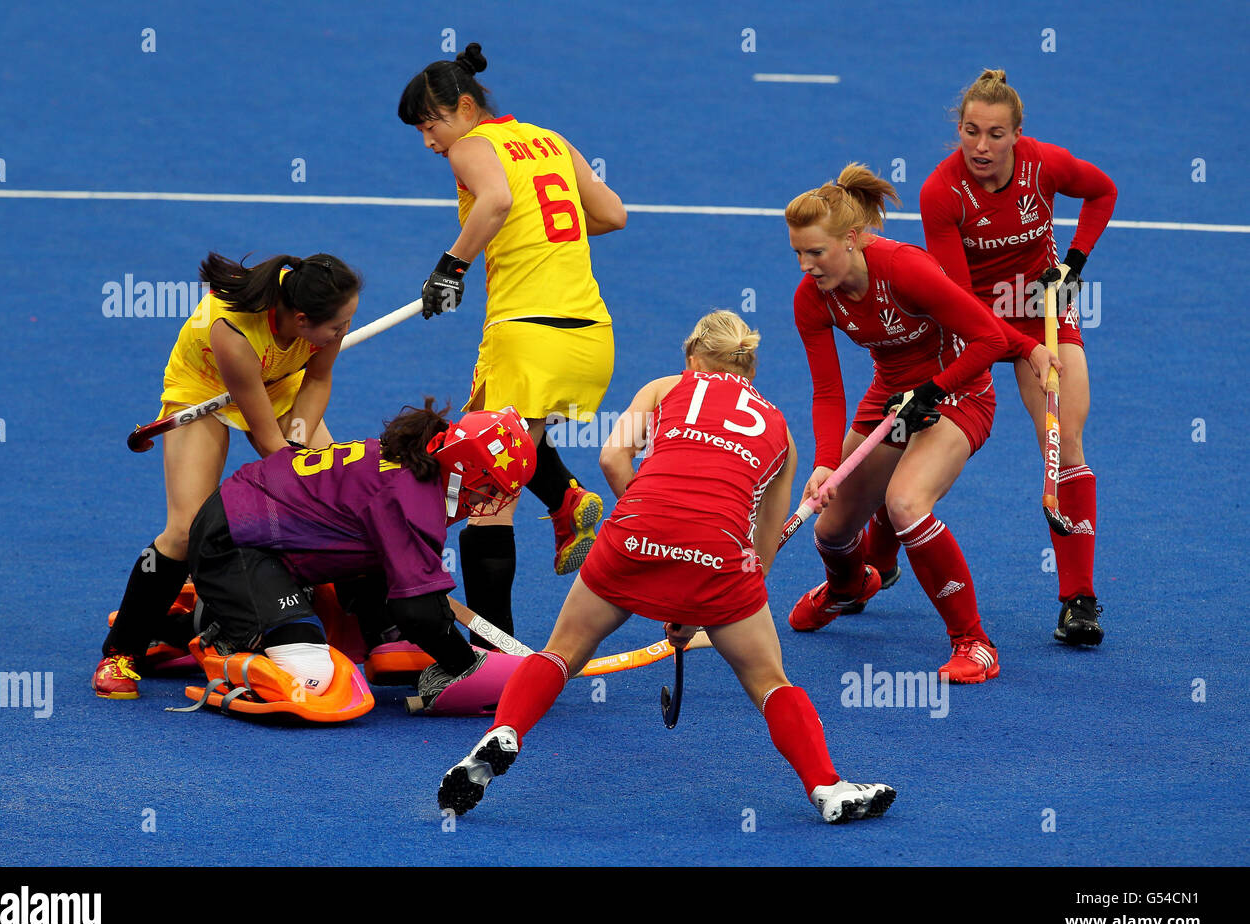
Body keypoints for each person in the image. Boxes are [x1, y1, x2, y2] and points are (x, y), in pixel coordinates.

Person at [437, 311, 896, 824]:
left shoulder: (664, 387)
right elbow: (759, 555)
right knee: (769, 679)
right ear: (749, 368)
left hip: (634, 530)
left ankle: (504, 733)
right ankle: (827, 788)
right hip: (719, 556)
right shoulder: (781, 432)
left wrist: (649, 526)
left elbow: (613, 459)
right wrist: (699, 603)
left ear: (692, 358)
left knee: (562, 652)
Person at [786, 164, 1059, 684]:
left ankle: (974, 644)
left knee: (906, 503)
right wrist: (824, 463)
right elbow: (827, 390)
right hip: (888, 398)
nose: (805, 265)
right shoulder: (812, 299)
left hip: (959, 394)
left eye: (815, 253)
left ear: (851, 241)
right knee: (832, 529)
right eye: (797, 253)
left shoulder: (904, 267)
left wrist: (934, 390)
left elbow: (988, 340)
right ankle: (849, 587)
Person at [397, 42, 627, 640]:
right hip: (589, 336)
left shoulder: (472, 147)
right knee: (507, 450)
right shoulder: (549, 139)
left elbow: (496, 201)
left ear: (465, 106)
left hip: (525, 334)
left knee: (484, 496)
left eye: (432, 123)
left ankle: (490, 650)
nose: (429, 141)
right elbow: (609, 214)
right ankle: (568, 500)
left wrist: (452, 266)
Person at [123, 400, 536, 711]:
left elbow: (382, 562)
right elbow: (420, 611)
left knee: (381, 604)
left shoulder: (416, 463)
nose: (491, 499)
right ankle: (222, 646)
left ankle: (185, 624)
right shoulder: (412, 497)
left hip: (256, 534)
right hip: (237, 544)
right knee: (315, 680)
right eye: (490, 486)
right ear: (464, 466)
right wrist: (464, 666)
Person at [900, 68, 1118, 646]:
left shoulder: (1044, 164)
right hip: (968, 319)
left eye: (996, 134)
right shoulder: (940, 192)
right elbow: (962, 302)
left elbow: (1102, 191)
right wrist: (1026, 348)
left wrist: (1074, 261)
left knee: (1064, 441)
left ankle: (1079, 601)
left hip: (1038, 308)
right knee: (905, 432)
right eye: (971, 131)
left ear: (1018, 135)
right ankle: (872, 556)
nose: (981, 146)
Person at [93, 252, 362, 699]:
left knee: (334, 502)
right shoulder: (233, 330)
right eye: (336, 327)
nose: (344, 332)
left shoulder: (327, 311)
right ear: (299, 319)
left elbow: (316, 380)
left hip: (278, 382)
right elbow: (267, 440)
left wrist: (298, 445)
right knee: (185, 531)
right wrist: (289, 458)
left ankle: (342, 626)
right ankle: (121, 651)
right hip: (206, 388)